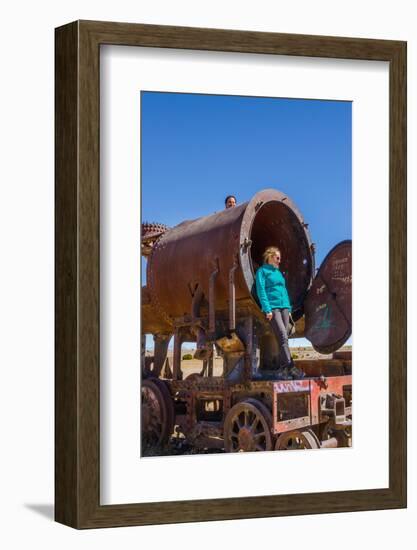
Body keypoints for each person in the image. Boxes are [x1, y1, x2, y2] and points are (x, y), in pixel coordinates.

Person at [255, 246, 304, 379]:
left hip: (284, 308)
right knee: (282, 335)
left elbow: (284, 291)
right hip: (273, 307)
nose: (279, 260)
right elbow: (261, 290)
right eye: (277, 258)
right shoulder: (262, 271)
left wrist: (288, 310)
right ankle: (291, 367)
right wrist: (267, 309)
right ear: (269, 257)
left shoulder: (278, 273)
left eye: (280, 258)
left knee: (284, 338)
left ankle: (283, 370)